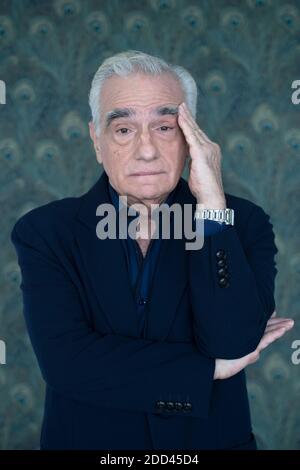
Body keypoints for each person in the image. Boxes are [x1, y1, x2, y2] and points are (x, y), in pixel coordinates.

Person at [11, 50, 294, 450]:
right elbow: (67, 364)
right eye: (123, 130)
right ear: (96, 140)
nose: (146, 150)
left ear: (191, 135)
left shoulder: (242, 223)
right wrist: (207, 370)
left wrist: (212, 211)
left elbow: (233, 342)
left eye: (164, 127)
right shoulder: (45, 232)